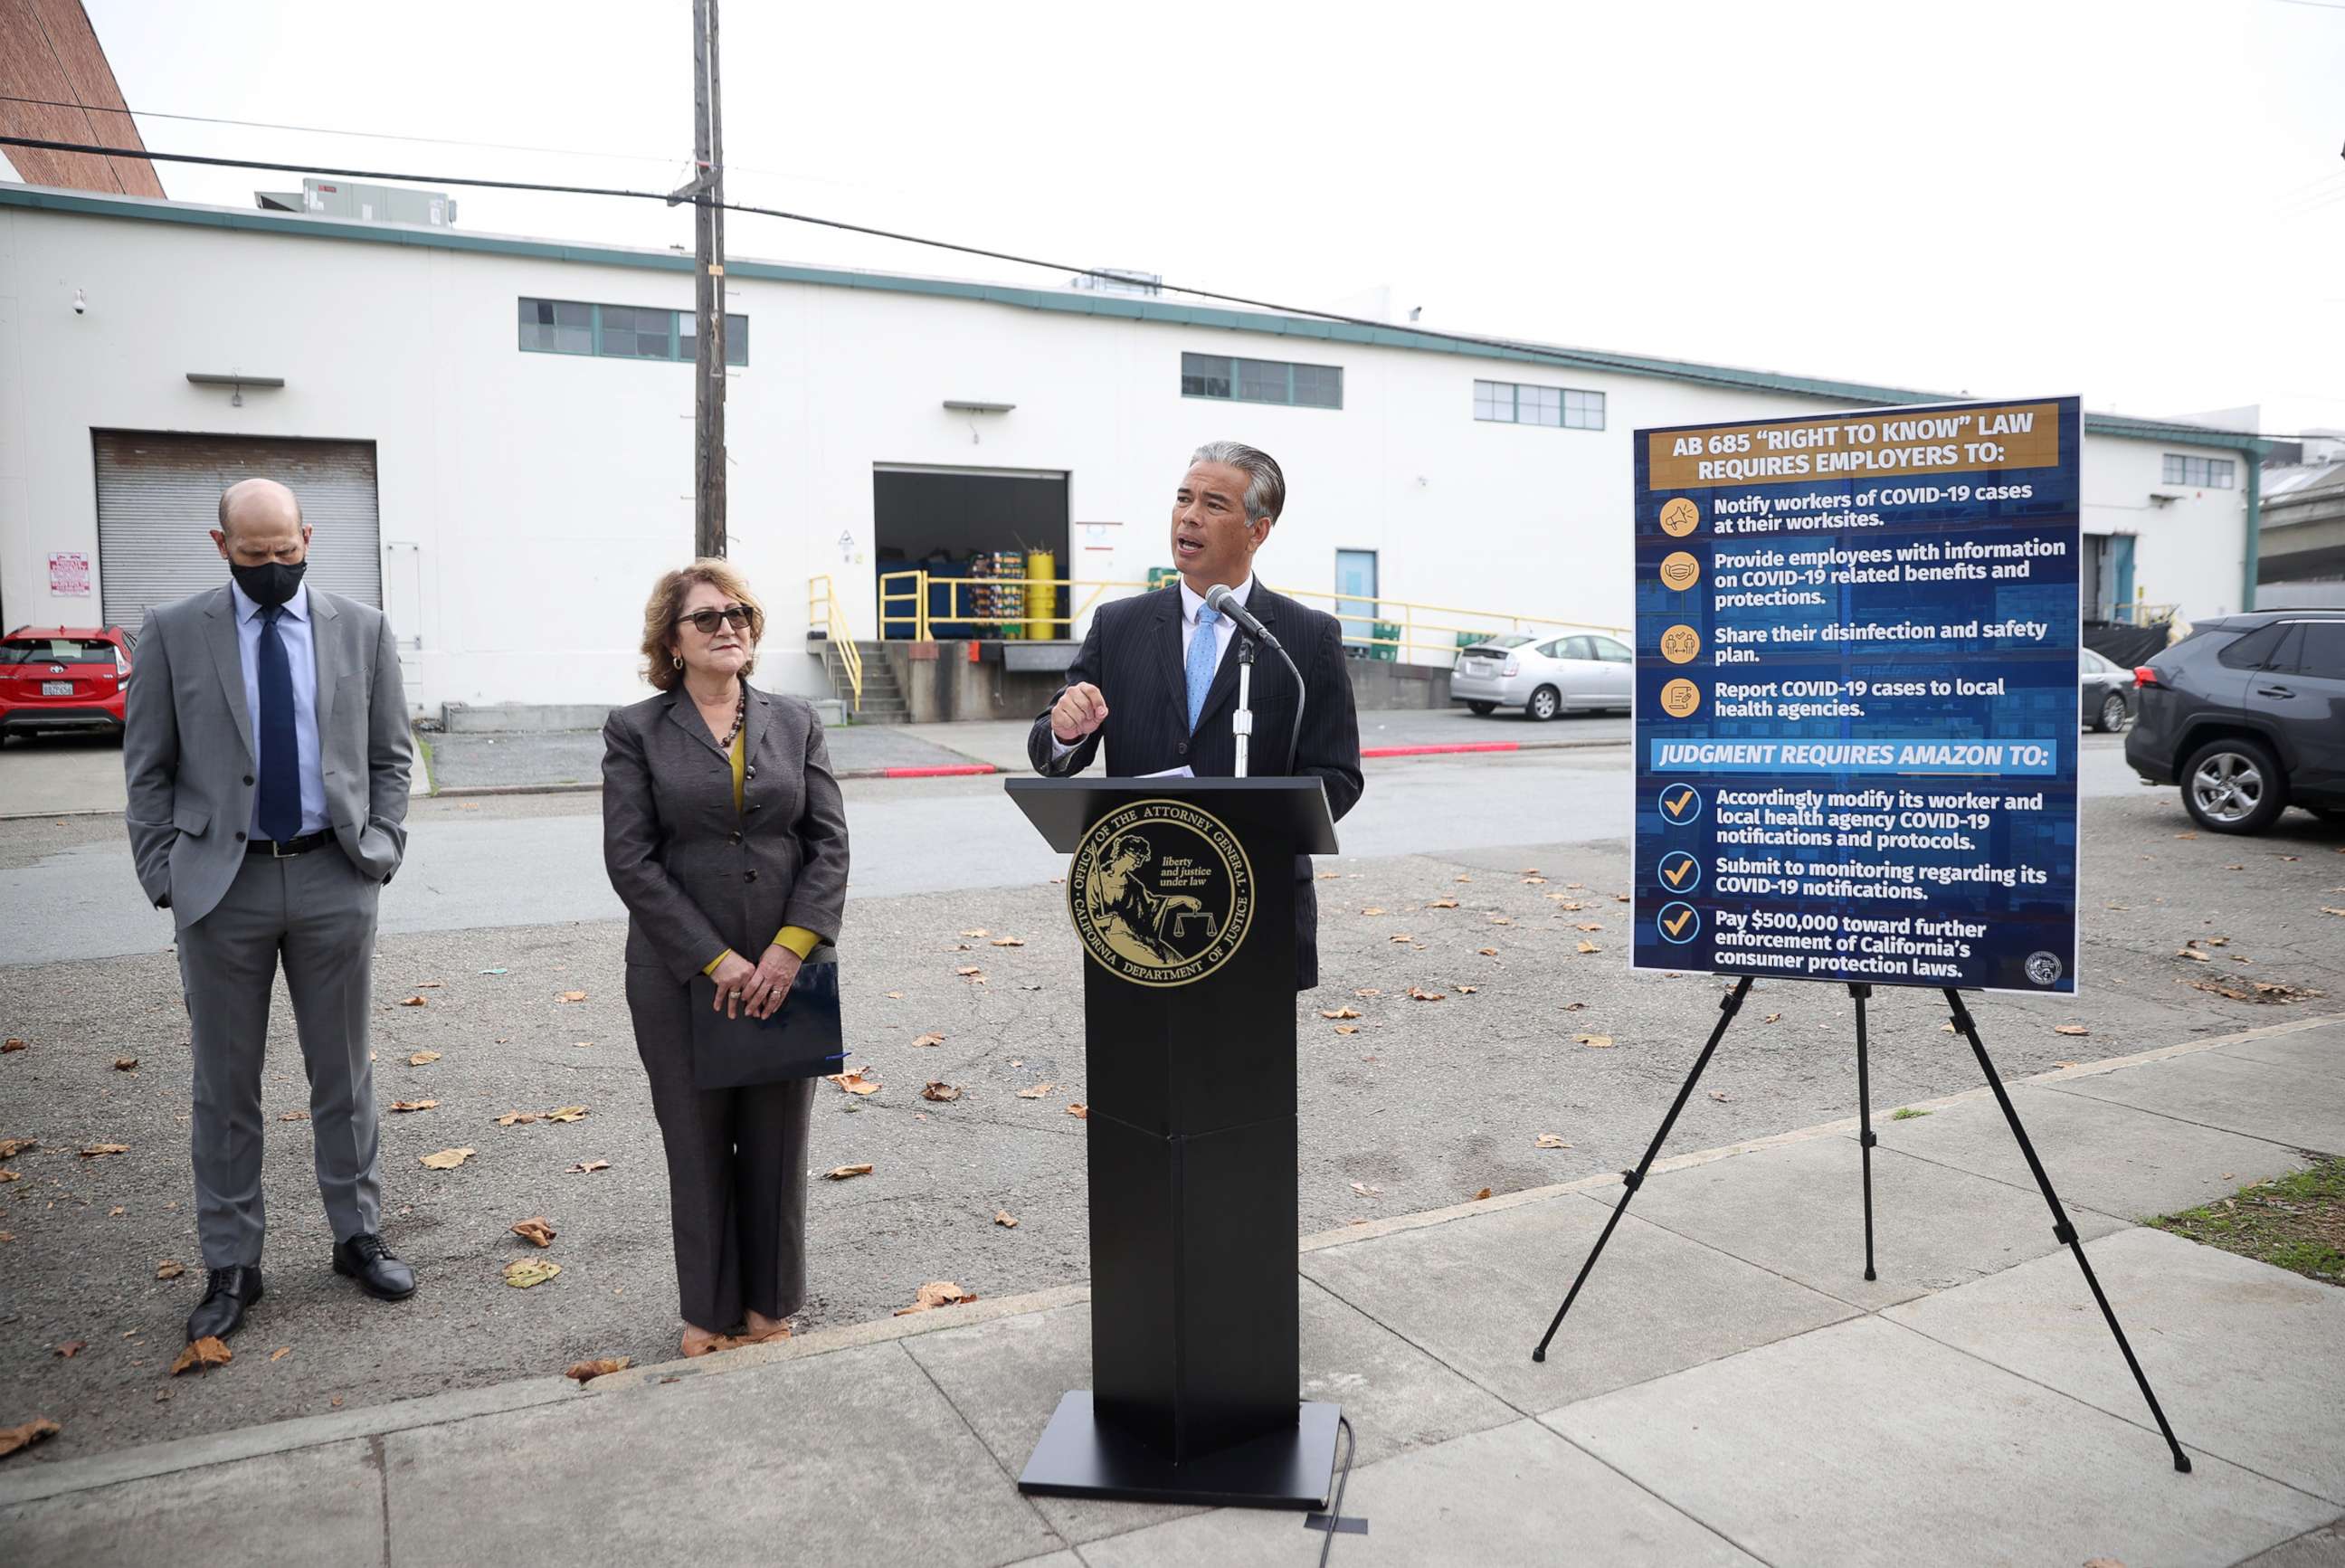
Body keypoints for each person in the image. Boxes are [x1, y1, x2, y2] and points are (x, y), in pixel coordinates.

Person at [122, 478, 416, 1345]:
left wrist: (384, 843)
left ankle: (356, 1235)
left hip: (335, 877)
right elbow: (147, 768)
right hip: (221, 887)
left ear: (307, 537)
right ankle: (233, 1263)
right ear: (221, 548)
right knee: (224, 1086)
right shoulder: (175, 633)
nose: (273, 569)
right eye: (254, 556)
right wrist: (164, 874)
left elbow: (389, 752)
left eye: (286, 552)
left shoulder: (361, 628)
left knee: (346, 1072)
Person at [602, 559, 850, 1357]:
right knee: (697, 1143)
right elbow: (631, 861)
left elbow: (828, 844)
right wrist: (716, 960)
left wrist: (787, 949)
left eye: (739, 612)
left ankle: (770, 1303)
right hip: (682, 975)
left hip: (787, 969)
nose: (728, 626)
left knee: (777, 1142)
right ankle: (707, 1311)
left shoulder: (795, 720)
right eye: (706, 617)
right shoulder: (636, 729)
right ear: (671, 641)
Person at [1028, 441, 1363, 989]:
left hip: (1258, 904)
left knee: (1248, 1074)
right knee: (1138, 1073)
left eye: (1213, 504)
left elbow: (1339, 778)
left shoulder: (1305, 637)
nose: (1189, 515)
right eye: (1183, 499)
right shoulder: (1119, 626)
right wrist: (1065, 731)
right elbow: (1050, 752)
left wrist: (1254, 821)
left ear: (1258, 531)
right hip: (1134, 917)